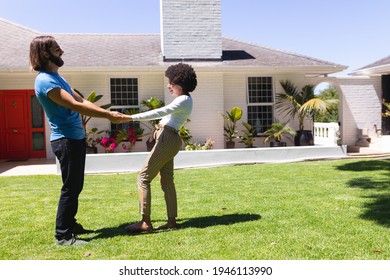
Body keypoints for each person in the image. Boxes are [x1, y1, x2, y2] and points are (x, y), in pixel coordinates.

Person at [29, 36, 127, 246]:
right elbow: (76, 105)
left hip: (74, 138)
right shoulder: (45, 81)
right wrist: (108, 117)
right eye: (57, 49)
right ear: (46, 54)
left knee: (75, 186)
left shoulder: (57, 77)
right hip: (65, 139)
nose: (61, 51)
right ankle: (62, 235)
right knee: (71, 187)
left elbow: (82, 99)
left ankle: (70, 225)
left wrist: (107, 112)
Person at [124, 63, 197, 232]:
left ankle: (145, 222)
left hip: (167, 138)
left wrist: (130, 117)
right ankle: (171, 221)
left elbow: (161, 112)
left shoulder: (184, 99)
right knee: (167, 181)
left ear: (180, 82)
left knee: (143, 177)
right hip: (168, 139)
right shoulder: (184, 99)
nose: (168, 85)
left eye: (171, 82)